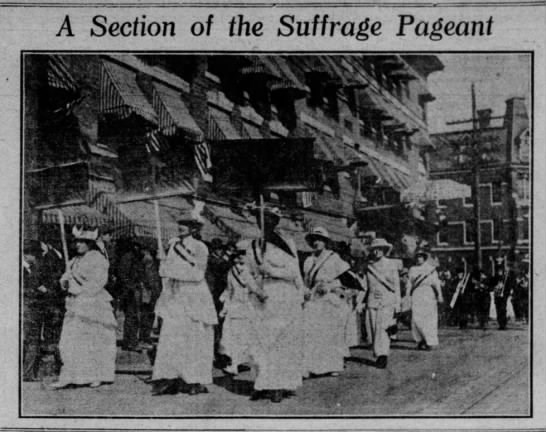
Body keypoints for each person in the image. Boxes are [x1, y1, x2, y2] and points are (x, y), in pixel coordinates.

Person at [150, 211, 218, 396]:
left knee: (194, 338)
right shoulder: (172, 246)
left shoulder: (200, 247)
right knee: (172, 337)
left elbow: (197, 274)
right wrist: (162, 264)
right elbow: (168, 272)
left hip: (195, 297)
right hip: (175, 297)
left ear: (194, 228)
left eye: (186, 224)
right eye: (180, 223)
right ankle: (170, 377)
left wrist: (169, 271)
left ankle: (195, 380)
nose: (181, 226)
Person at [244, 205, 305, 403]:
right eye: (261, 220)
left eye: (269, 220)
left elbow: (293, 273)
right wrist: (256, 289)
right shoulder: (253, 245)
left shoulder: (286, 243)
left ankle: (279, 384)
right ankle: (262, 383)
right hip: (262, 296)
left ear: (275, 222)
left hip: (283, 294)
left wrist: (271, 270)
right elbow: (247, 272)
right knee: (261, 340)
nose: (264, 224)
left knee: (280, 340)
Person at [51, 226, 117, 389]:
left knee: (93, 341)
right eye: (77, 241)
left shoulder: (98, 259)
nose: (78, 245)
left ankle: (97, 375)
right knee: (70, 341)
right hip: (75, 305)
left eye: (82, 242)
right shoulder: (73, 260)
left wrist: (79, 291)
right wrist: (64, 283)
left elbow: (98, 282)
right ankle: (70, 376)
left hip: (93, 305)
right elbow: (65, 278)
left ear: (90, 243)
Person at [302, 227, 351, 377]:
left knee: (329, 333)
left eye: (320, 240)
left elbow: (346, 280)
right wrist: (305, 292)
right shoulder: (309, 260)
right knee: (311, 332)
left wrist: (330, 287)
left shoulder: (333, 258)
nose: (317, 243)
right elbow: (305, 281)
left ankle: (332, 365)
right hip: (314, 299)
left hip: (329, 300)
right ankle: (312, 367)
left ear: (325, 242)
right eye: (314, 240)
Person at [218, 242, 264, 375]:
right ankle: (234, 364)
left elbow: (257, 288)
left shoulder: (255, 271)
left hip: (251, 306)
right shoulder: (231, 272)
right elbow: (229, 289)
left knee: (251, 336)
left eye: (243, 255)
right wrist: (225, 306)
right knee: (234, 336)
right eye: (237, 255)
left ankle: (253, 364)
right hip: (236, 306)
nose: (240, 258)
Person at [361, 238, 401, 369]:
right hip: (372, 301)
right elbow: (365, 286)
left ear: (384, 250)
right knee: (372, 329)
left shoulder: (391, 264)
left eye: (380, 248)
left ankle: (383, 355)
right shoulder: (369, 266)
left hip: (387, 301)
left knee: (383, 329)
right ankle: (378, 353)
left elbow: (396, 286)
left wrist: (398, 304)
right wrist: (359, 302)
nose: (377, 251)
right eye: (374, 249)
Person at [406, 249, 443, 350]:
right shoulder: (412, 269)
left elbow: (436, 283)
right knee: (416, 317)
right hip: (417, 294)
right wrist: (407, 295)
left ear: (424, 258)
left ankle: (429, 341)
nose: (419, 259)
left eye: (421, 256)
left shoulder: (431, 269)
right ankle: (420, 339)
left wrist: (440, 295)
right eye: (417, 257)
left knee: (429, 318)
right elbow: (409, 283)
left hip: (428, 293)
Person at [118, 239, 144, 351]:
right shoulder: (129, 257)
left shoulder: (134, 257)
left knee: (132, 317)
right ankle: (131, 342)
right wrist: (132, 287)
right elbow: (123, 275)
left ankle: (129, 342)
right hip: (129, 292)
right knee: (131, 317)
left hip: (132, 290)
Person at [140, 245, 161, 346]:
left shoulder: (153, 263)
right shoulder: (148, 262)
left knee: (150, 314)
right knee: (147, 314)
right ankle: (144, 337)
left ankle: (145, 336)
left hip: (153, 291)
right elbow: (149, 279)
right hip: (150, 291)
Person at [489, 265, 516, 330]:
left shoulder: (506, 279)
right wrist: (496, 287)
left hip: (504, 296)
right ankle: (500, 324)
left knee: (503, 310)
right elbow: (491, 286)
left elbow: (509, 287)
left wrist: (507, 293)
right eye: (499, 271)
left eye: (501, 271)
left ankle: (503, 324)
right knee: (498, 310)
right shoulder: (495, 278)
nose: (500, 272)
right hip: (497, 296)